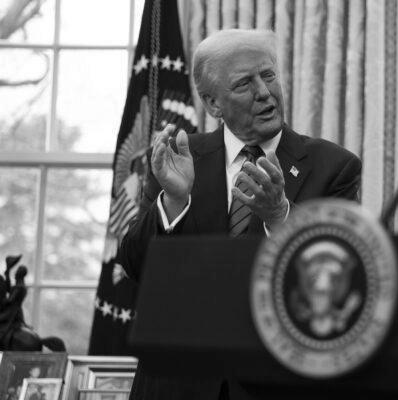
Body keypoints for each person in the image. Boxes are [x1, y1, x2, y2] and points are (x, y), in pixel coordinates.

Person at [123, 29, 362, 399]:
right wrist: (174, 202)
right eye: (244, 83)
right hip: (176, 384)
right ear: (213, 103)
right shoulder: (180, 159)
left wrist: (280, 217)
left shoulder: (334, 167)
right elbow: (135, 266)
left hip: (276, 383)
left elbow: (342, 282)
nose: (264, 92)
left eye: (268, 75)